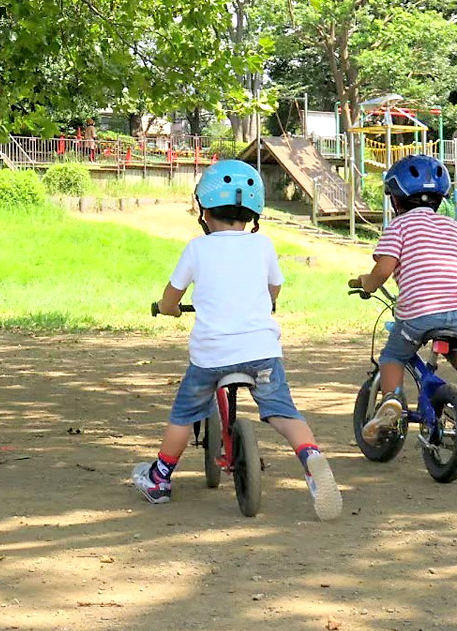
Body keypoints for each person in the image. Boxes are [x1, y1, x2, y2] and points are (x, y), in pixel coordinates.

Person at [133, 160, 342, 521]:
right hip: (261, 352)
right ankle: (310, 456)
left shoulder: (197, 248)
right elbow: (274, 286)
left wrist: (169, 309)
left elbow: (172, 295)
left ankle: (160, 478)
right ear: (253, 211)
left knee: (183, 414)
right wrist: (268, 301)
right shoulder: (262, 245)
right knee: (282, 411)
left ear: (204, 210)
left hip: (211, 357)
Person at [351, 154, 457, 441]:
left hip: (419, 314)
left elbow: (383, 268)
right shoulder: (453, 226)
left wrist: (368, 285)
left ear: (396, 200)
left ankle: (392, 400)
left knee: (393, 355)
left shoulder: (397, 227)